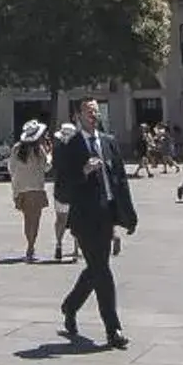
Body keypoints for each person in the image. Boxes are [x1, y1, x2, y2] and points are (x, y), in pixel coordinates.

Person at [50, 98, 132, 347]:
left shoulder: (108, 142)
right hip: (84, 217)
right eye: (89, 112)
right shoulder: (69, 146)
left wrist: (127, 215)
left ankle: (70, 305)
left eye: (96, 112)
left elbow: (120, 180)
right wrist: (82, 172)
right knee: (102, 270)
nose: (94, 116)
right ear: (77, 116)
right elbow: (61, 187)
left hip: (106, 214)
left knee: (96, 268)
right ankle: (113, 329)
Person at [10, 121, 52, 260]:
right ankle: (31, 245)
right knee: (35, 220)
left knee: (27, 219)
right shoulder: (39, 150)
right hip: (36, 188)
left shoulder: (16, 148)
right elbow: (46, 167)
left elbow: (11, 168)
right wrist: (49, 154)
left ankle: (30, 244)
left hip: (21, 188)